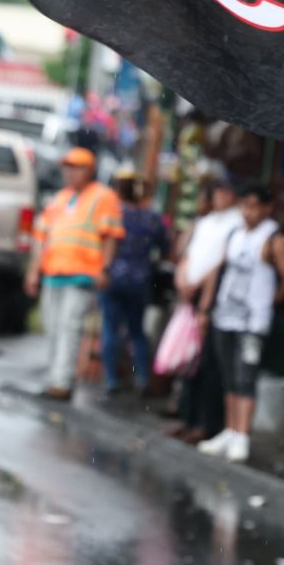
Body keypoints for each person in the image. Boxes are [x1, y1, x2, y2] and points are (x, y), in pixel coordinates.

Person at [196, 184, 284, 463]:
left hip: (252, 323)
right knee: (229, 376)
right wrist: (207, 307)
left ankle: (242, 434)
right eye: (245, 205)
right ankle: (230, 430)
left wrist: (269, 303)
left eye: (255, 206)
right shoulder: (235, 235)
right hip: (225, 316)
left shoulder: (273, 238)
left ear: (267, 208)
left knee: (246, 377)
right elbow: (218, 270)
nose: (248, 212)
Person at [24, 147, 125, 400]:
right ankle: (53, 378)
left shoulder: (103, 196)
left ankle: (62, 382)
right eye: (67, 168)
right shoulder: (59, 198)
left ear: (90, 170)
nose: (70, 173)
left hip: (82, 274)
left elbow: (111, 236)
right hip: (53, 272)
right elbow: (41, 237)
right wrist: (34, 271)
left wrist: (105, 268)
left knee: (70, 327)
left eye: (76, 167)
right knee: (53, 327)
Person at [167, 180, 242, 443]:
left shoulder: (237, 223)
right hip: (190, 291)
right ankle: (186, 416)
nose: (221, 196)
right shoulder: (206, 222)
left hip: (211, 296)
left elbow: (219, 263)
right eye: (218, 192)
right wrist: (182, 281)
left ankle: (205, 422)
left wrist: (203, 299)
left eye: (226, 191)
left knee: (209, 363)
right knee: (189, 358)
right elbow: (187, 254)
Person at [99, 170, 171, 396]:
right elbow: (165, 249)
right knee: (137, 331)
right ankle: (141, 378)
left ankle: (112, 379)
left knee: (110, 328)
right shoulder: (152, 218)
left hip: (112, 277)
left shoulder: (113, 214)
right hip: (139, 280)